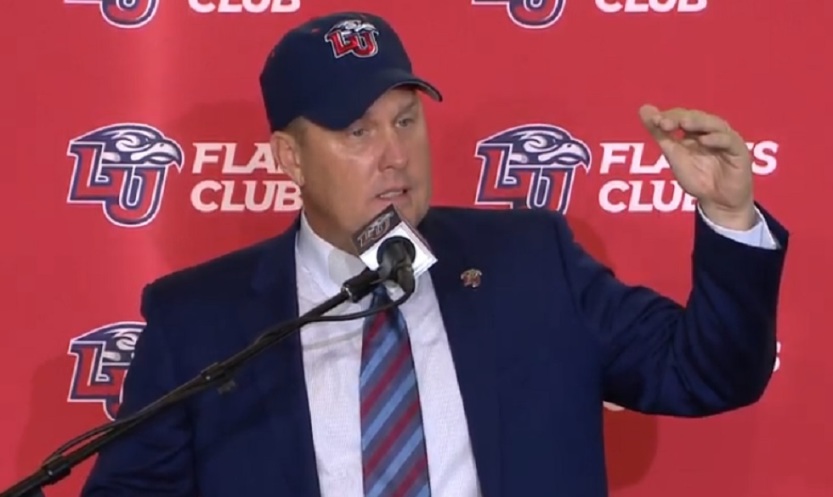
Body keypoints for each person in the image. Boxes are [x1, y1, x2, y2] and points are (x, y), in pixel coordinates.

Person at [80, 10, 789, 497]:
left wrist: (729, 215)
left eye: (406, 120)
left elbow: (707, 372)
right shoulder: (202, 320)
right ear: (289, 158)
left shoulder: (532, 264)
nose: (394, 155)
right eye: (357, 132)